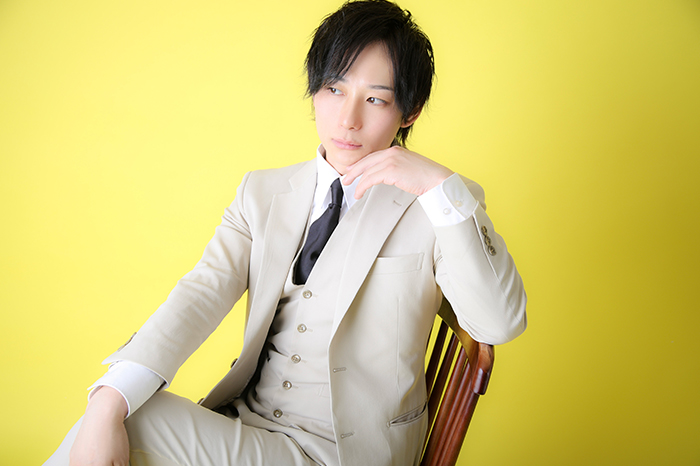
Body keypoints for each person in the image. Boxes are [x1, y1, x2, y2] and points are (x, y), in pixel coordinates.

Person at [45, 1, 527, 465]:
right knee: (116, 414)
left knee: (136, 426)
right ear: (314, 88)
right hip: (247, 427)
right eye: (334, 89)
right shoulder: (262, 193)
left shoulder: (438, 206)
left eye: (375, 99)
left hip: (346, 453)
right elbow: (201, 293)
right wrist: (109, 396)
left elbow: (499, 324)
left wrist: (439, 186)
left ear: (410, 111)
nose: (348, 119)